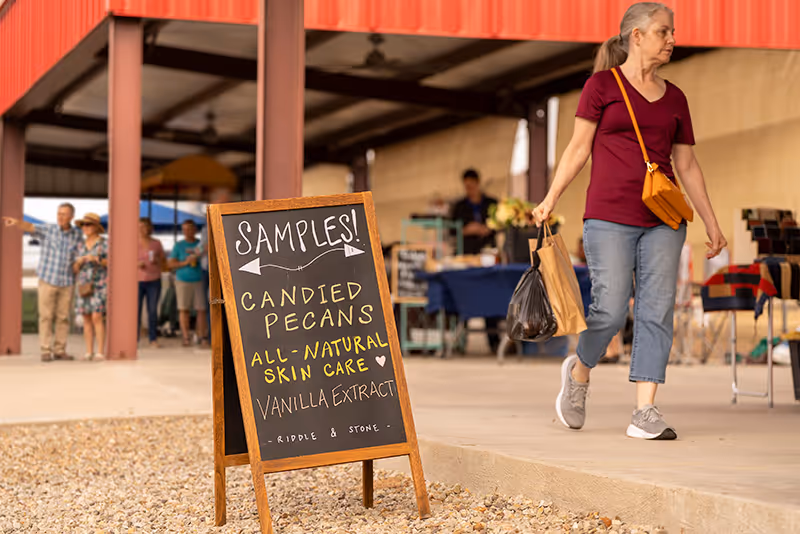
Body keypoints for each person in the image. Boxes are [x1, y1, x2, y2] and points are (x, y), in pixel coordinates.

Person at [532, 2, 726, 440]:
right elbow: (578, 149)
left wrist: (712, 223)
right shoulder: (601, 86)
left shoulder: (676, 98)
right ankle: (579, 372)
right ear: (636, 36)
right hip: (608, 215)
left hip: (664, 218)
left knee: (658, 309)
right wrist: (550, 198)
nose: (672, 39)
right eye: (663, 32)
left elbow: (687, 164)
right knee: (610, 308)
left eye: (672, 32)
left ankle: (646, 411)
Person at [3, 204, 83, 361]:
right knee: (45, 316)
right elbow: (31, 227)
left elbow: (80, 254)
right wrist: (17, 222)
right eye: (58, 213)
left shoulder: (77, 235)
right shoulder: (49, 229)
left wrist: (78, 263)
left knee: (63, 317)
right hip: (47, 279)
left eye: (64, 214)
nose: (60, 217)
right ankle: (45, 350)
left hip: (67, 281)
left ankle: (60, 350)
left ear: (71, 217)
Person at [450, 168, 500, 353]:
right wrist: (466, 230)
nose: (469, 189)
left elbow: (500, 225)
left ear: (478, 183)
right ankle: (460, 339)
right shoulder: (459, 207)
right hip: (467, 256)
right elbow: (451, 230)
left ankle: (494, 340)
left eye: (472, 185)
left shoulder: (492, 203)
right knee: (466, 295)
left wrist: (488, 229)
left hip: (488, 254)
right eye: (466, 186)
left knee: (491, 295)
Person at [72, 213, 109, 361]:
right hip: (83, 284)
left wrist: (97, 259)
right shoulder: (80, 245)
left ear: (96, 227)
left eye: (88, 225)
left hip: (99, 283)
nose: (85, 228)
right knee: (86, 317)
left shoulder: (104, 243)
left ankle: (100, 352)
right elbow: (74, 268)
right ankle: (88, 352)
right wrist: (79, 262)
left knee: (97, 316)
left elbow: (112, 262)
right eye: (83, 225)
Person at [198, 188, 233, 344]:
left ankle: (228, 339)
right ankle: (215, 339)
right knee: (215, 303)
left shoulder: (233, 225)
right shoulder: (207, 228)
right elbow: (204, 248)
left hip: (228, 271)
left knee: (229, 305)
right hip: (211, 271)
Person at [169, 219, 208, 347]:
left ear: (195, 230)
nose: (187, 232)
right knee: (183, 310)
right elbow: (171, 264)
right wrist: (185, 262)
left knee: (201, 310)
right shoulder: (178, 246)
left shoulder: (200, 244)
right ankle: (186, 337)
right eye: (184, 229)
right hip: (182, 281)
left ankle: (201, 336)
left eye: (190, 229)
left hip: (199, 280)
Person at [138, 218, 166, 347]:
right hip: (136, 280)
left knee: (153, 310)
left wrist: (157, 261)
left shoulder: (156, 243)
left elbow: (164, 261)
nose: (144, 229)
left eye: (146, 226)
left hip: (154, 280)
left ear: (150, 228)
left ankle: (153, 339)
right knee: (135, 311)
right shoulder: (132, 242)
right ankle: (134, 339)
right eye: (141, 226)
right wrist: (136, 264)